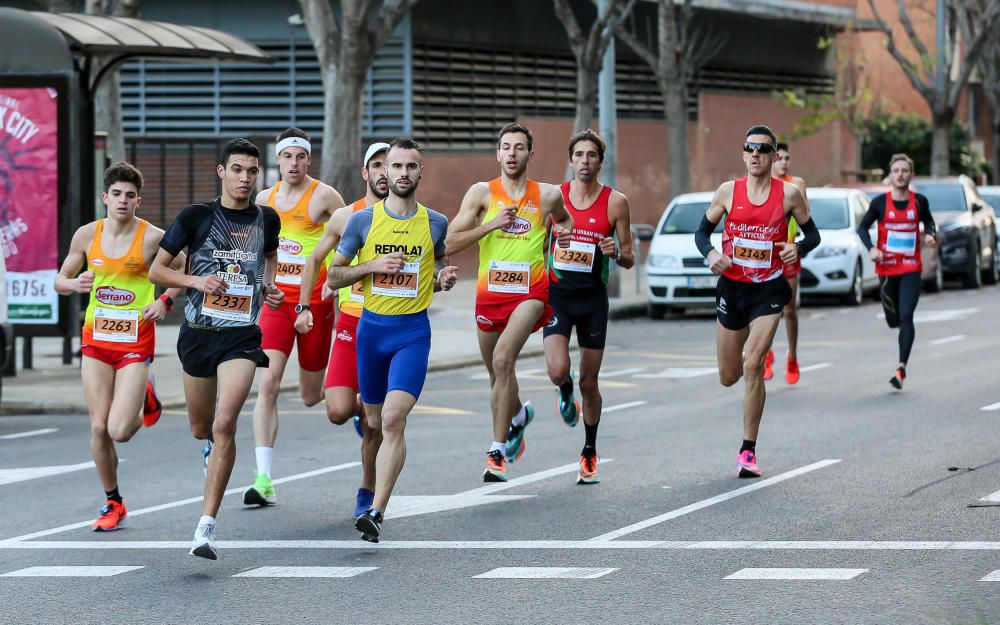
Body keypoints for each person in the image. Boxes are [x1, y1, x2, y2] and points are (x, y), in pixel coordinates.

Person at [148, 138, 284, 560]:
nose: (245, 178)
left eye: (252, 171)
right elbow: (157, 268)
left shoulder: (268, 218)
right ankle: (209, 445)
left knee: (227, 422)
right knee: (202, 427)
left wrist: (268, 287)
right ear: (221, 171)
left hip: (241, 335)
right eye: (237, 170)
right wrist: (196, 282)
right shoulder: (196, 216)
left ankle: (205, 528)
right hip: (198, 333)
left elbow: (270, 256)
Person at [325, 137, 457, 542]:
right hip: (371, 332)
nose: (401, 174)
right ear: (384, 172)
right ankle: (368, 488)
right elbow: (334, 276)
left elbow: (437, 264)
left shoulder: (435, 222)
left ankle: (376, 510)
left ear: (421, 172)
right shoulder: (363, 221)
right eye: (394, 167)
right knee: (371, 423)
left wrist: (443, 277)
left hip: (411, 334)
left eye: (409, 167)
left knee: (393, 420)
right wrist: (372, 265)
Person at [54, 162, 183, 532]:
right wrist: (73, 283)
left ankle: (145, 392)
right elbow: (59, 280)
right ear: (105, 197)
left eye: (130, 196)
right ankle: (113, 501)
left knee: (120, 431)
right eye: (117, 195)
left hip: (134, 343)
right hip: (96, 339)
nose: (123, 201)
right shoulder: (86, 236)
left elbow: (186, 268)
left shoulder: (152, 237)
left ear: (138, 200)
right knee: (98, 429)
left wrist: (165, 301)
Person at [446, 122, 574, 483]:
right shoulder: (481, 194)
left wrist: (561, 234)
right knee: (497, 374)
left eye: (520, 147)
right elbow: (449, 243)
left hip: (530, 293)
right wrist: (490, 225)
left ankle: (496, 452)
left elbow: (565, 221)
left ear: (530, 154)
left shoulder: (547, 195)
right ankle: (518, 416)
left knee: (504, 359)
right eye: (507, 147)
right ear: (498, 153)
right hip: (490, 297)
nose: (513, 153)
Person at [693, 125, 819, 478]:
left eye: (763, 149)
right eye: (749, 148)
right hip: (733, 288)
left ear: (774, 156)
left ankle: (748, 450)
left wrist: (798, 247)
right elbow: (701, 232)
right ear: (743, 153)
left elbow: (814, 234)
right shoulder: (727, 192)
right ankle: (747, 437)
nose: (755, 155)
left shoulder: (789, 195)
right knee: (728, 375)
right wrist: (711, 253)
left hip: (769, 288)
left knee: (752, 365)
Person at [245, 128, 345, 507]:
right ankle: (263, 477)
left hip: (315, 303)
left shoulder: (324, 196)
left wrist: (338, 279)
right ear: (277, 159)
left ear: (308, 160)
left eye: (299, 157)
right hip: (276, 303)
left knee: (308, 395)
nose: (293, 163)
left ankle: (346, 394)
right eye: (286, 156)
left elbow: (351, 235)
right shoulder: (264, 199)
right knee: (267, 383)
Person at [532, 129, 633, 485]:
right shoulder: (554, 197)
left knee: (590, 382)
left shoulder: (615, 202)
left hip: (593, 299)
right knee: (558, 370)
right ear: (571, 159)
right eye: (579, 155)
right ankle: (563, 390)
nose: (585, 162)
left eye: (592, 155)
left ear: (600, 161)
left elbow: (630, 257)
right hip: (558, 294)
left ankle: (589, 451)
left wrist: (615, 252)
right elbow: (536, 243)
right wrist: (551, 243)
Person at [298, 141, 390, 517]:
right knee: (337, 410)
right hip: (351, 325)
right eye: (378, 166)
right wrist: (305, 305)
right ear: (365, 174)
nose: (386, 172)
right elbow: (315, 258)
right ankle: (368, 413)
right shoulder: (346, 216)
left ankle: (366, 491)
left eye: (393, 165)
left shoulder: (410, 220)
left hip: (387, 323)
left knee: (374, 421)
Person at [856, 153, 936, 390]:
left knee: (906, 315)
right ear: (890, 175)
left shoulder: (919, 201)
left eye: (905, 170)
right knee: (893, 320)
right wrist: (871, 249)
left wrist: (931, 235)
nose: (900, 174)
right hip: (887, 268)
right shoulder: (880, 203)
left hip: (911, 266)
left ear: (911, 174)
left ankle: (901, 368)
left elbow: (929, 222)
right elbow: (862, 228)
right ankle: (897, 325)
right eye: (896, 171)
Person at [764, 141, 809, 384]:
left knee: (789, 309)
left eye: (787, 158)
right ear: (771, 160)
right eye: (779, 158)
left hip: (788, 253)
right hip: (765, 255)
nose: (783, 162)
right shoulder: (761, 185)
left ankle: (792, 356)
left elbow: (806, 217)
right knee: (766, 310)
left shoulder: (796, 184)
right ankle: (767, 355)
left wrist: (796, 241)